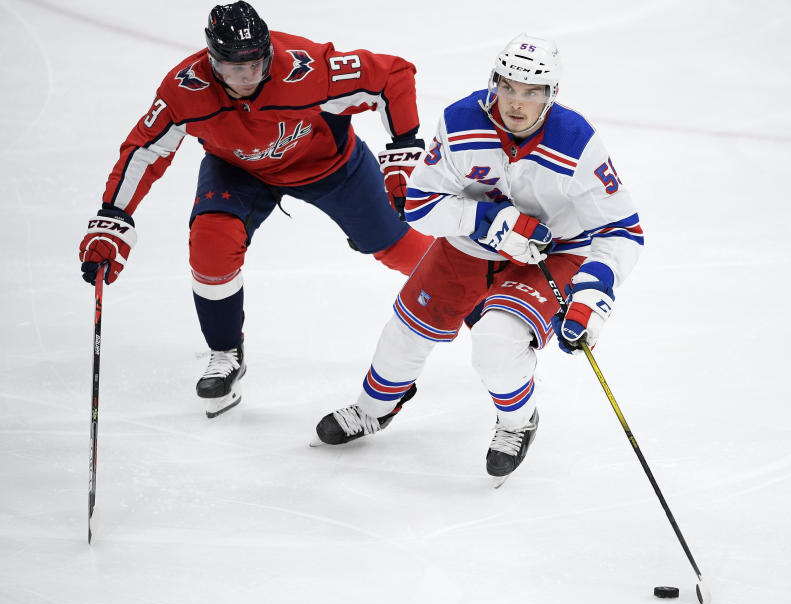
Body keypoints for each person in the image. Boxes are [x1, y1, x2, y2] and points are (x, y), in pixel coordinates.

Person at [314, 34, 644, 481]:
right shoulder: (461, 121)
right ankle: (375, 408)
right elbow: (420, 204)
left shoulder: (576, 141)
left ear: (552, 95)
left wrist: (592, 291)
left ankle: (517, 421)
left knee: (496, 341)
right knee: (404, 334)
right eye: (508, 86)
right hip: (471, 244)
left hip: (554, 252)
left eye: (531, 92)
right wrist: (488, 220)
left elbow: (622, 229)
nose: (517, 102)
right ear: (494, 82)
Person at [77, 1, 431, 418]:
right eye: (232, 69)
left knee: (397, 245)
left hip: (330, 167)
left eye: (255, 65)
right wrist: (114, 216)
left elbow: (392, 74)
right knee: (210, 243)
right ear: (212, 62)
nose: (246, 78)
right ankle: (226, 352)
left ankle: (478, 290)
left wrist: (404, 147)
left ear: (268, 53)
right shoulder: (184, 88)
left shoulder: (309, 67)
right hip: (238, 170)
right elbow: (144, 149)